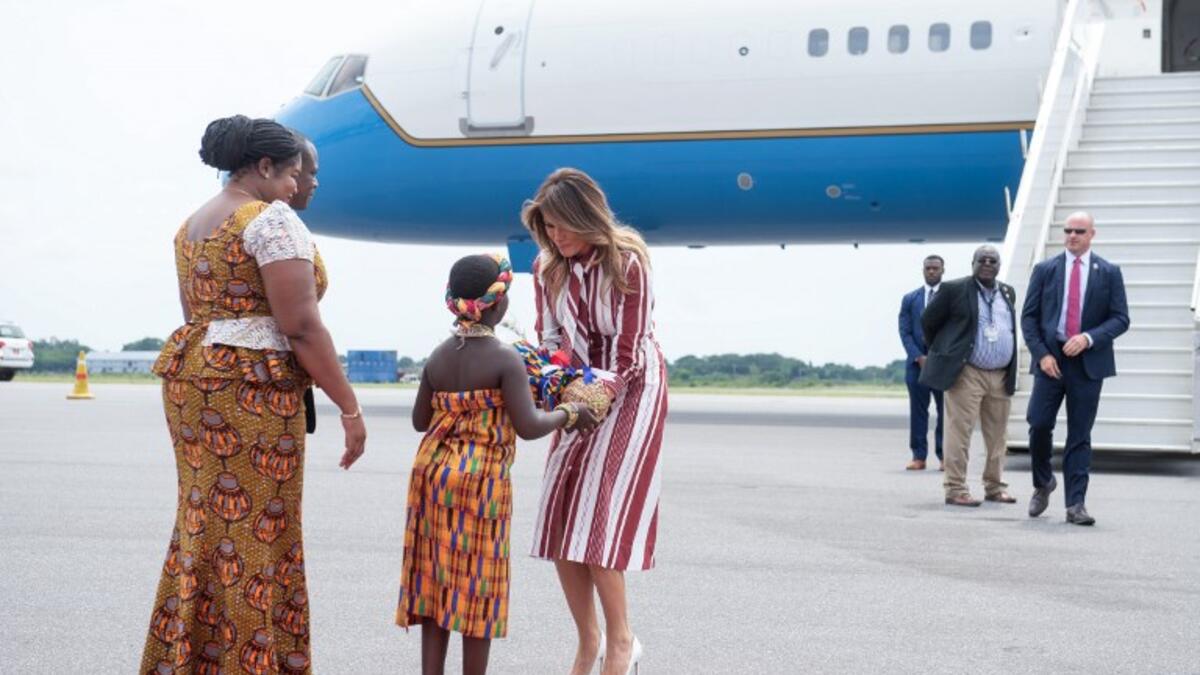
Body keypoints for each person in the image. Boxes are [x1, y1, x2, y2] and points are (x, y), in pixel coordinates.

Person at [140, 115, 366, 674]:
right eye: (291, 174)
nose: (295, 187)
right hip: (254, 392)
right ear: (263, 168)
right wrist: (349, 405)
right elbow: (301, 325)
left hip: (196, 382)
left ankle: (192, 661)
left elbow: (195, 316)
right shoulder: (269, 221)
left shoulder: (192, 224)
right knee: (257, 528)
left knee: (205, 522)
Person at [396, 253, 598, 675]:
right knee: (476, 588)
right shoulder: (505, 358)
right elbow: (528, 425)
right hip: (481, 484)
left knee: (435, 584)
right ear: (498, 304)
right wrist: (571, 413)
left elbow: (420, 421)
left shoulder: (438, 356)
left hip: (431, 477)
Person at [522, 168, 667, 675]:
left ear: (587, 217)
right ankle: (589, 642)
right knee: (562, 515)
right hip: (576, 391)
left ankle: (622, 643)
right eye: (547, 227)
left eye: (562, 226)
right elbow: (550, 339)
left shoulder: (628, 263)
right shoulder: (547, 267)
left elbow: (627, 353)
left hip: (631, 391)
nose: (555, 237)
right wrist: (553, 382)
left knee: (598, 515)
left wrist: (592, 394)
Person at [1021, 211, 1129, 525]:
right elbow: (1029, 318)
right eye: (1068, 230)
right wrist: (1042, 354)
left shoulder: (1108, 272)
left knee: (1079, 435)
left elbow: (1121, 319)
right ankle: (1043, 482)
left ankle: (1075, 504)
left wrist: (1088, 338)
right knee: (1038, 424)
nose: (1072, 235)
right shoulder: (1045, 270)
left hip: (1087, 364)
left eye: (1079, 231)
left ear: (1092, 233)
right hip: (1050, 361)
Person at [920, 245, 1018, 507]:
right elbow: (929, 322)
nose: (987, 263)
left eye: (992, 260)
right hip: (968, 373)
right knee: (959, 432)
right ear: (972, 263)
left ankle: (995, 487)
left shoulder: (1007, 292)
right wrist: (945, 351)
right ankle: (955, 488)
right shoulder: (954, 289)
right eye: (981, 260)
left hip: (1000, 375)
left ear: (999, 265)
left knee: (998, 436)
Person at [898, 255, 945, 470]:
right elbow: (905, 332)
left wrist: (937, 357)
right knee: (918, 412)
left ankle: (945, 456)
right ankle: (919, 456)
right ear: (923, 270)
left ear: (943, 270)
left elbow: (955, 330)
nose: (932, 271)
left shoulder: (950, 297)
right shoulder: (910, 299)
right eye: (928, 268)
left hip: (943, 364)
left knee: (946, 412)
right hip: (916, 365)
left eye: (936, 268)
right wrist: (918, 356)